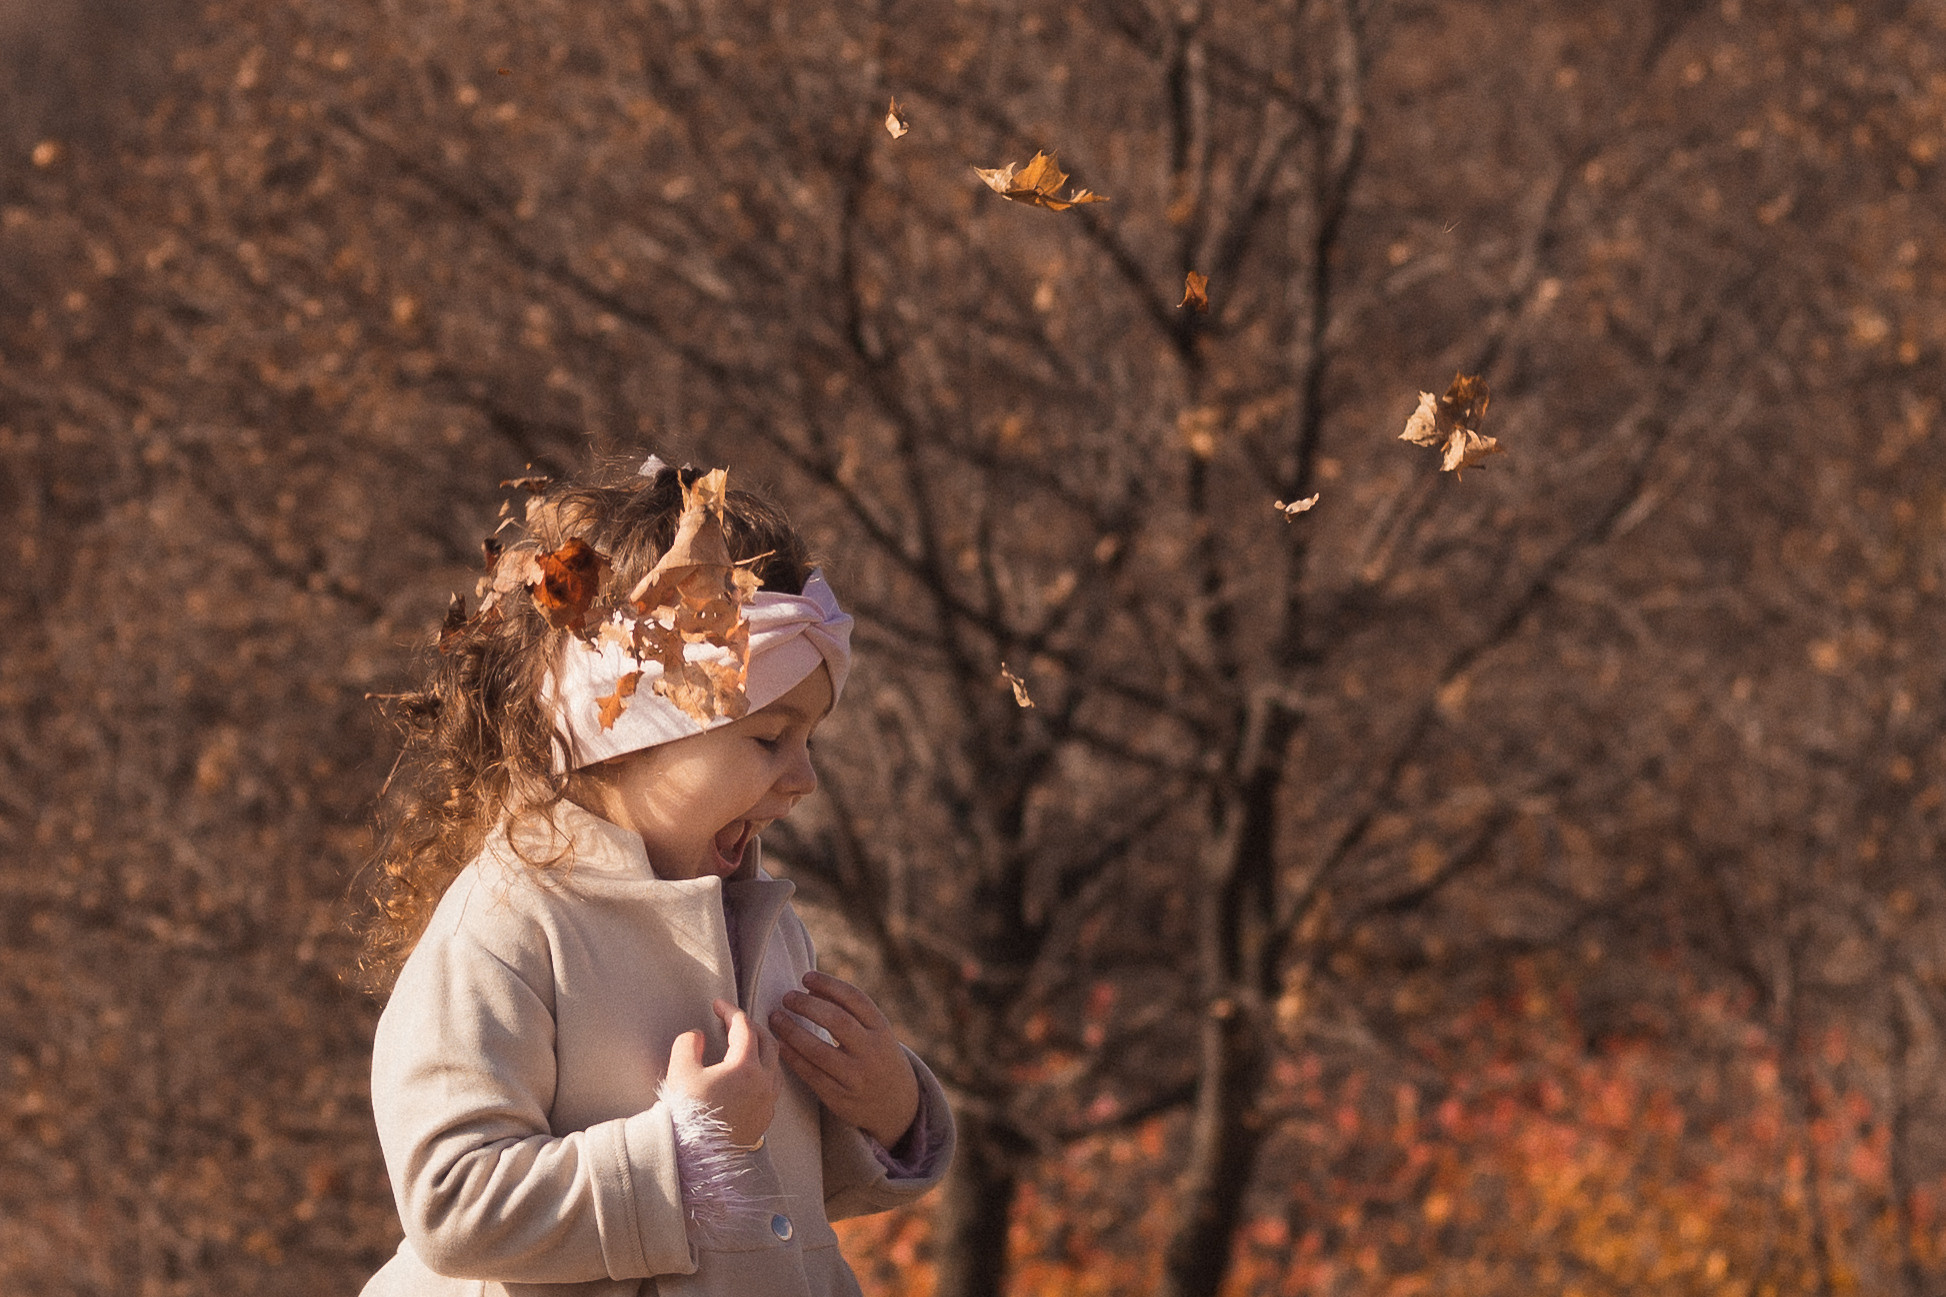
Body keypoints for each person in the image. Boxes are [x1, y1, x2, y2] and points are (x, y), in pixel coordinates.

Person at [355, 456, 954, 1297]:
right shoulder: (505, 928)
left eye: (808, 739)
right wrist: (682, 1154)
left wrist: (885, 1109)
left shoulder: (766, 923)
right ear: (629, 729)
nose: (803, 778)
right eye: (768, 737)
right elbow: (453, 1201)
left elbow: (779, 1198)